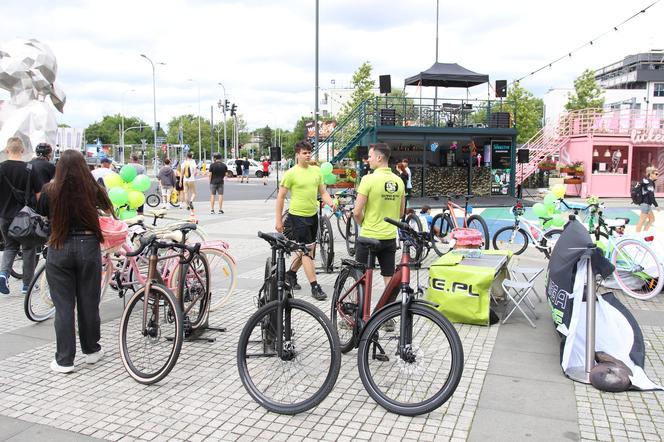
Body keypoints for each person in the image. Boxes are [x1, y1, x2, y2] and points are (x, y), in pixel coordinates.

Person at [35, 149, 115, 373]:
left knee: (63, 307)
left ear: (59, 167)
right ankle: (91, 350)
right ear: (83, 166)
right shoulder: (93, 188)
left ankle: (64, 360)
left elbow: (40, 213)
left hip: (58, 248)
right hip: (88, 247)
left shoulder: (49, 189)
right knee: (89, 302)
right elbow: (110, 210)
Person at [276, 140, 336, 301]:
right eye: (304, 152)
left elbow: (323, 192)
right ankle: (315, 286)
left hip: (312, 216)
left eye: (309, 152)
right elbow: (280, 197)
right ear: (297, 155)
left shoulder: (316, 171)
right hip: (297, 217)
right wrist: (278, 221)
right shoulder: (291, 173)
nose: (308, 155)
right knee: (306, 252)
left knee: (308, 252)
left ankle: (290, 274)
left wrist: (331, 203)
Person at [353, 143, 405, 290]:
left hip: (369, 236)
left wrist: (363, 222)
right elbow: (400, 213)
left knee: (361, 277)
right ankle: (389, 311)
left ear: (379, 157)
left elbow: (357, 211)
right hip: (389, 238)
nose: (368, 160)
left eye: (370, 156)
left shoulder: (368, 180)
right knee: (388, 276)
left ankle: (360, 310)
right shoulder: (399, 181)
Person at [0, 137, 40, 295]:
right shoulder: (30, 168)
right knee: (29, 248)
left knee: (10, 246)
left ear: (7, 150)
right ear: (23, 151)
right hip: (25, 217)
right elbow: (38, 194)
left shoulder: (0, 168)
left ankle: (3, 274)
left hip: (4, 216)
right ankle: (27, 285)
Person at [636, 166, 659, 232]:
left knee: (652, 219)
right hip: (645, 204)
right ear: (651, 174)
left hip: (647, 204)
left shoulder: (648, 182)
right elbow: (651, 195)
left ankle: (644, 233)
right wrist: (656, 205)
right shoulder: (649, 183)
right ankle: (637, 236)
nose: (657, 175)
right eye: (656, 174)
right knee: (641, 221)